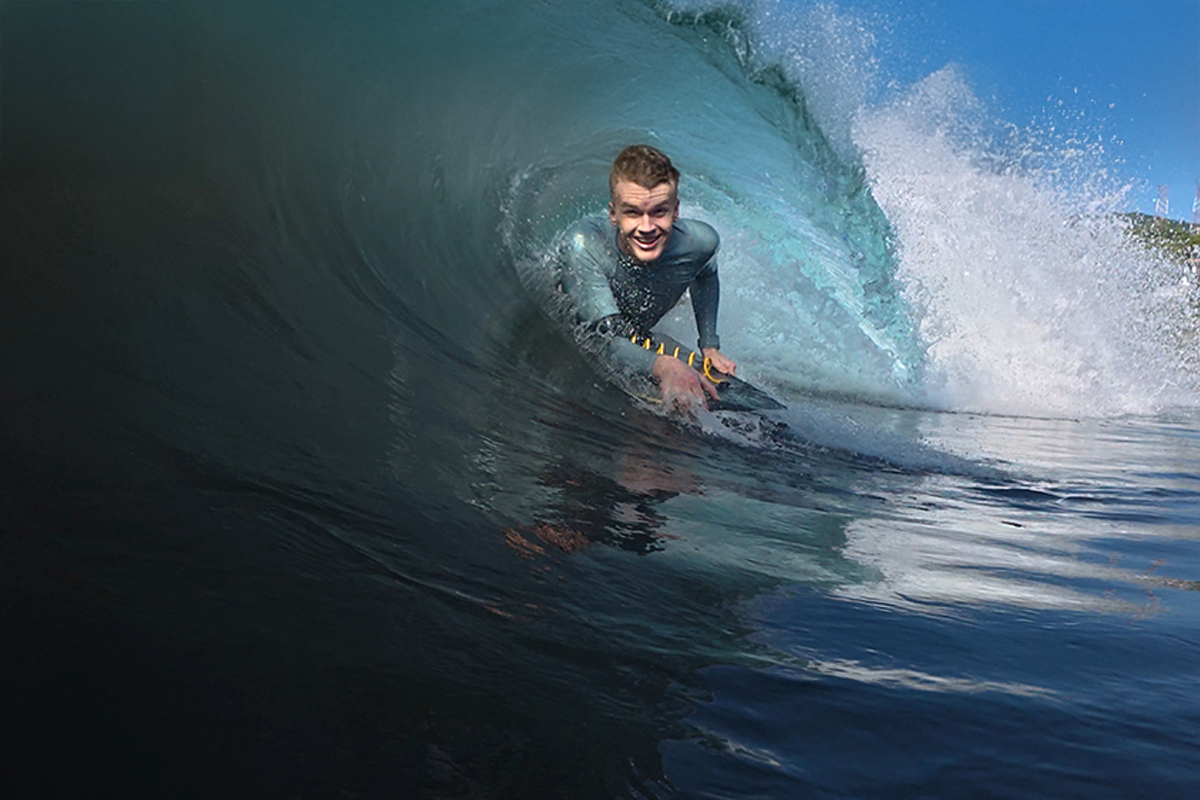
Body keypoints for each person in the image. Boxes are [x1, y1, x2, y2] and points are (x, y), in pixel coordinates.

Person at [558, 145, 737, 409]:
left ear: (675, 211)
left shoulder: (700, 242)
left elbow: (706, 275)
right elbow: (602, 341)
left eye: (659, 212)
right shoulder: (585, 245)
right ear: (613, 214)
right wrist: (663, 365)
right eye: (632, 212)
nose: (646, 227)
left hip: (630, 323)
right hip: (586, 328)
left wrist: (709, 344)